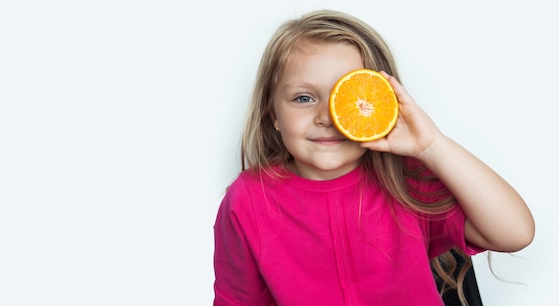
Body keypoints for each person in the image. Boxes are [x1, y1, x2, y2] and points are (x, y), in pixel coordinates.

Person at [213, 9, 534, 306]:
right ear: (273, 115)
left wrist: (431, 146)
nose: (326, 116)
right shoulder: (248, 200)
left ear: (381, 105)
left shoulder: (405, 182)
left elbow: (515, 233)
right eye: (304, 97)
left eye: (349, 98)